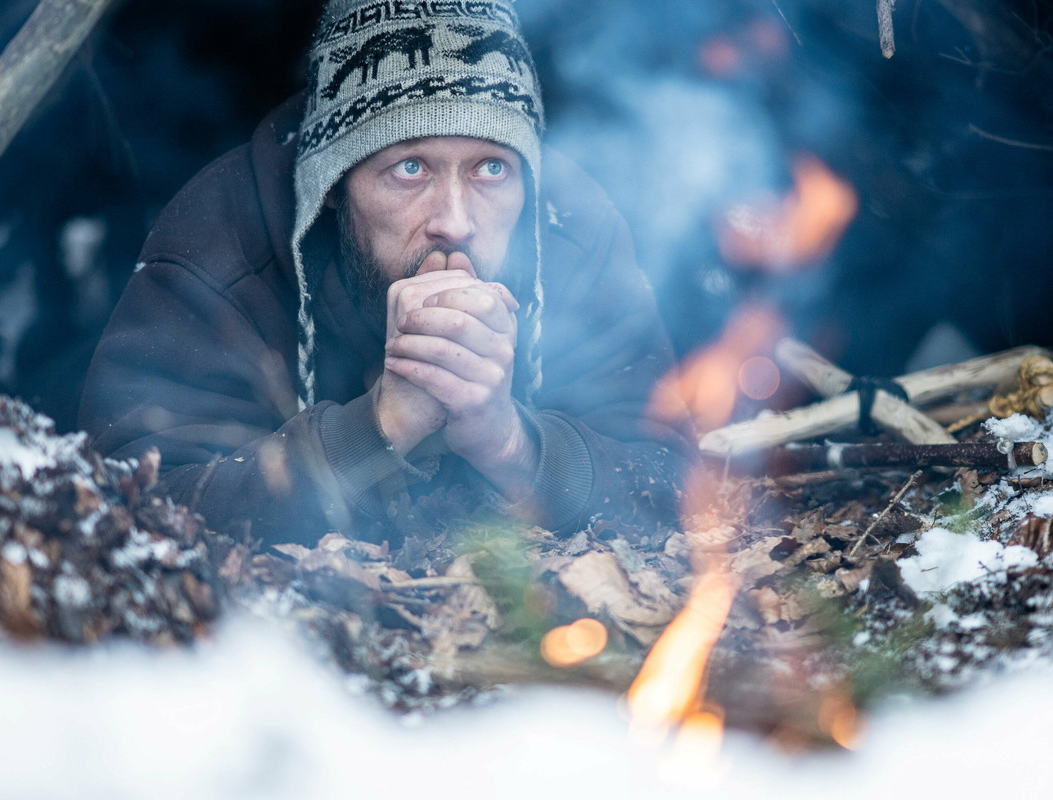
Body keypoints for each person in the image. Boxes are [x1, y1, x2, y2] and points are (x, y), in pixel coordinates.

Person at [79, 0, 694, 546]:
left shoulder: (570, 230)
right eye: (410, 169)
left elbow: (674, 482)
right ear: (334, 186)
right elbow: (118, 507)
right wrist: (376, 428)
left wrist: (511, 444)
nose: (455, 222)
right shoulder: (222, 242)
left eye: (490, 170)